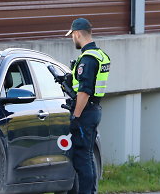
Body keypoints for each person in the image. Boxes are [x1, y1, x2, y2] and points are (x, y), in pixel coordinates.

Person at [65, 18, 110, 194]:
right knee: (87, 157)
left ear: (77, 34)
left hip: (85, 110)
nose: (72, 39)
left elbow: (84, 91)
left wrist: (75, 117)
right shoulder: (100, 54)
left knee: (82, 159)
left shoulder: (88, 58)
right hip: (93, 109)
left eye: (72, 36)